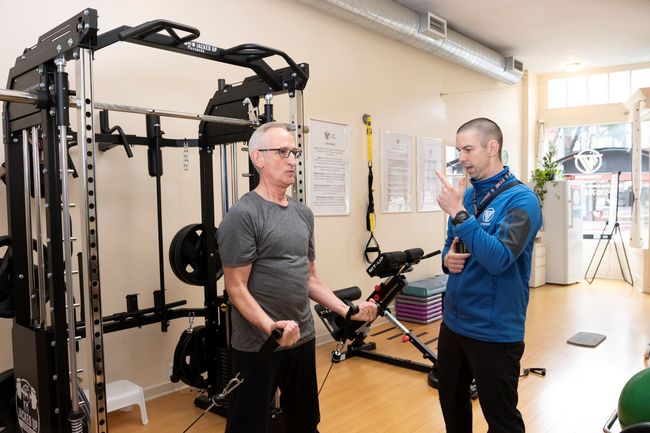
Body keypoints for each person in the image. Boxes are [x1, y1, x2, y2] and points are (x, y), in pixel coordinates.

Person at [218, 122, 378, 433]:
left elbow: (310, 279)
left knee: (305, 422)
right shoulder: (243, 216)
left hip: (302, 337)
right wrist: (271, 328)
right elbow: (235, 288)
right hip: (260, 344)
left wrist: (349, 311)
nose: (292, 159)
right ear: (258, 158)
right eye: (282, 152)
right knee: (248, 425)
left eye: (294, 152)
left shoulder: (302, 214)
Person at [434, 117, 542, 433]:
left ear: (492, 147)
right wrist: (446, 260)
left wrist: (460, 215)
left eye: (468, 149)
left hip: (495, 332)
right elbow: (447, 246)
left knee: (502, 420)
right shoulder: (466, 196)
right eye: (459, 150)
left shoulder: (523, 201)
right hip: (454, 324)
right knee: (452, 408)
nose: (461, 158)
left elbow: (499, 259)